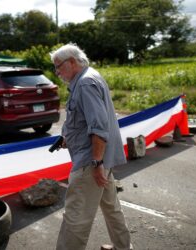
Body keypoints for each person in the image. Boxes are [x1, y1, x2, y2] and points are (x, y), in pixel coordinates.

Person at [50, 44, 132, 250]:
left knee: (76, 218)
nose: (57, 72)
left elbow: (99, 127)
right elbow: (87, 120)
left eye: (57, 66)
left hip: (91, 163)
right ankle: (123, 246)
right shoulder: (88, 77)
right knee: (112, 207)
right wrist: (69, 136)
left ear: (71, 62)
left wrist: (96, 162)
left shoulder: (85, 83)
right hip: (101, 159)